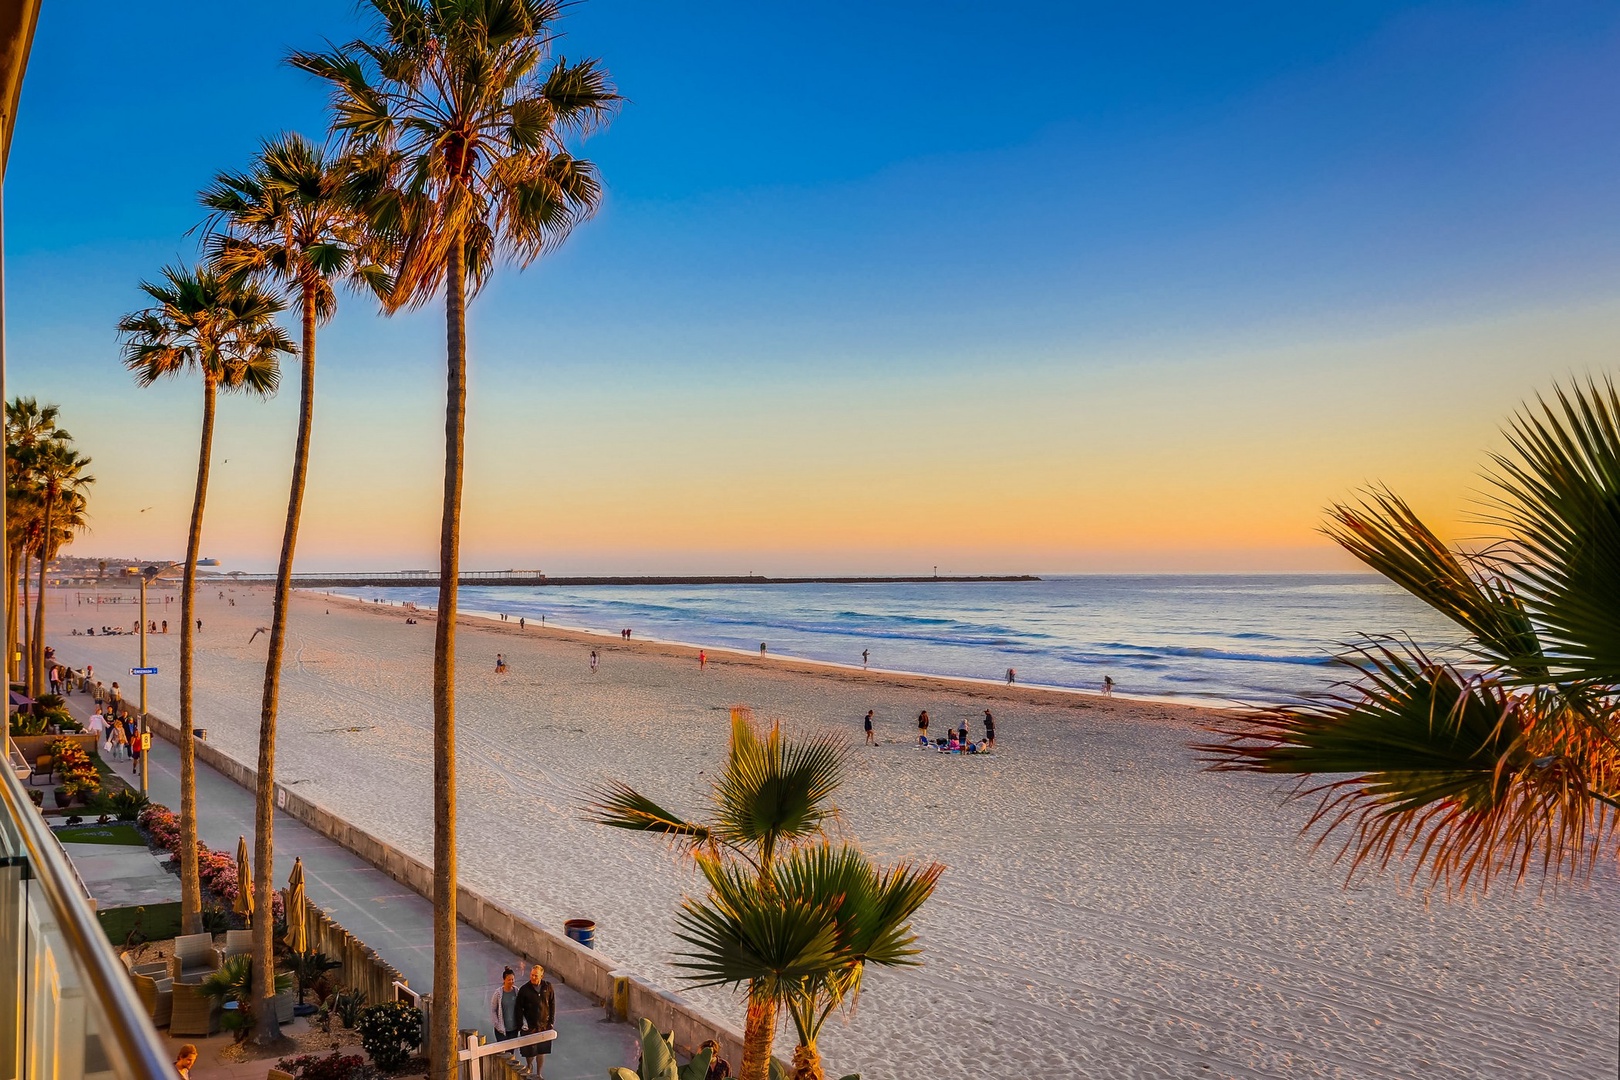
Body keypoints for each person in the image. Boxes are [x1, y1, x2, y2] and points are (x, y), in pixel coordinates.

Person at [516, 963, 555, 1074]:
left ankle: (539, 1073)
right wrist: (521, 1025)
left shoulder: (548, 987)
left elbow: (552, 1004)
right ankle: (529, 1065)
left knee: (541, 1050)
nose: (533, 977)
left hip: (544, 1025)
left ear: (541, 976)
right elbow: (519, 1008)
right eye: (532, 975)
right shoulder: (524, 990)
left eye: (536, 976)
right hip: (529, 1026)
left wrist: (551, 1022)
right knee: (529, 1051)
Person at [490, 967, 520, 1044]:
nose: (511, 981)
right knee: (502, 1053)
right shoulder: (498, 993)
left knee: (510, 1053)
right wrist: (497, 1024)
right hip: (501, 1030)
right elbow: (493, 1010)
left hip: (513, 1029)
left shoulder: (517, 991)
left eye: (512, 979)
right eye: (509, 979)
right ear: (504, 980)